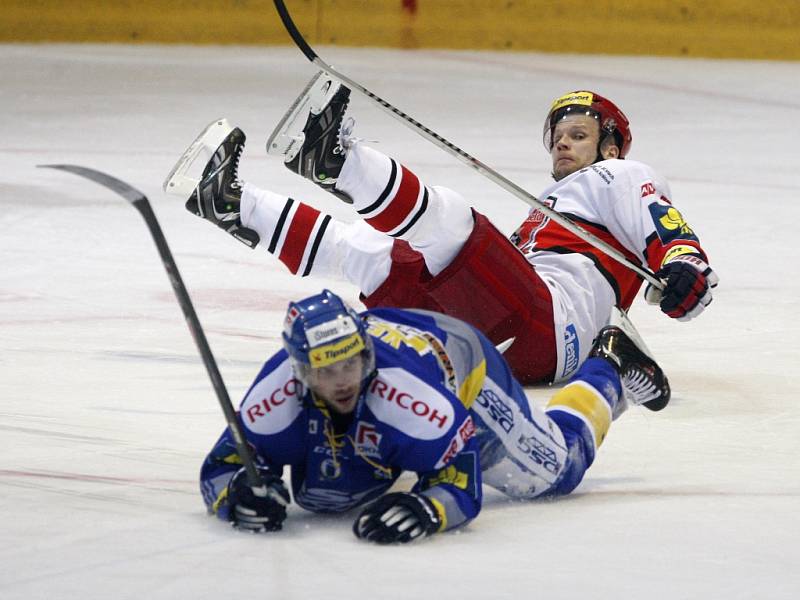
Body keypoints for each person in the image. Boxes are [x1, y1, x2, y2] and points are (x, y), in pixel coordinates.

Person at [178, 74, 718, 394]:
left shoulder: (619, 174)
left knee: (456, 223)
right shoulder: (549, 211)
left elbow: (664, 226)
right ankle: (233, 204)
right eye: (557, 136)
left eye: (578, 134)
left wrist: (686, 268)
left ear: (611, 146)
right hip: (507, 344)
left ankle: (336, 161)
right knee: (380, 255)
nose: (561, 144)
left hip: (551, 326)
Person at [200, 289, 670, 543]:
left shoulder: (414, 402)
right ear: (300, 372)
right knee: (325, 495)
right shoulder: (275, 395)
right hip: (405, 346)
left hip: (458, 364)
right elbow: (219, 467)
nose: (343, 380)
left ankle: (608, 366)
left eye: (352, 364)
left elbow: (462, 484)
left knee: (555, 473)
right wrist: (236, 491)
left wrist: (429, 508)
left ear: (367, 355)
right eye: (328, 370)